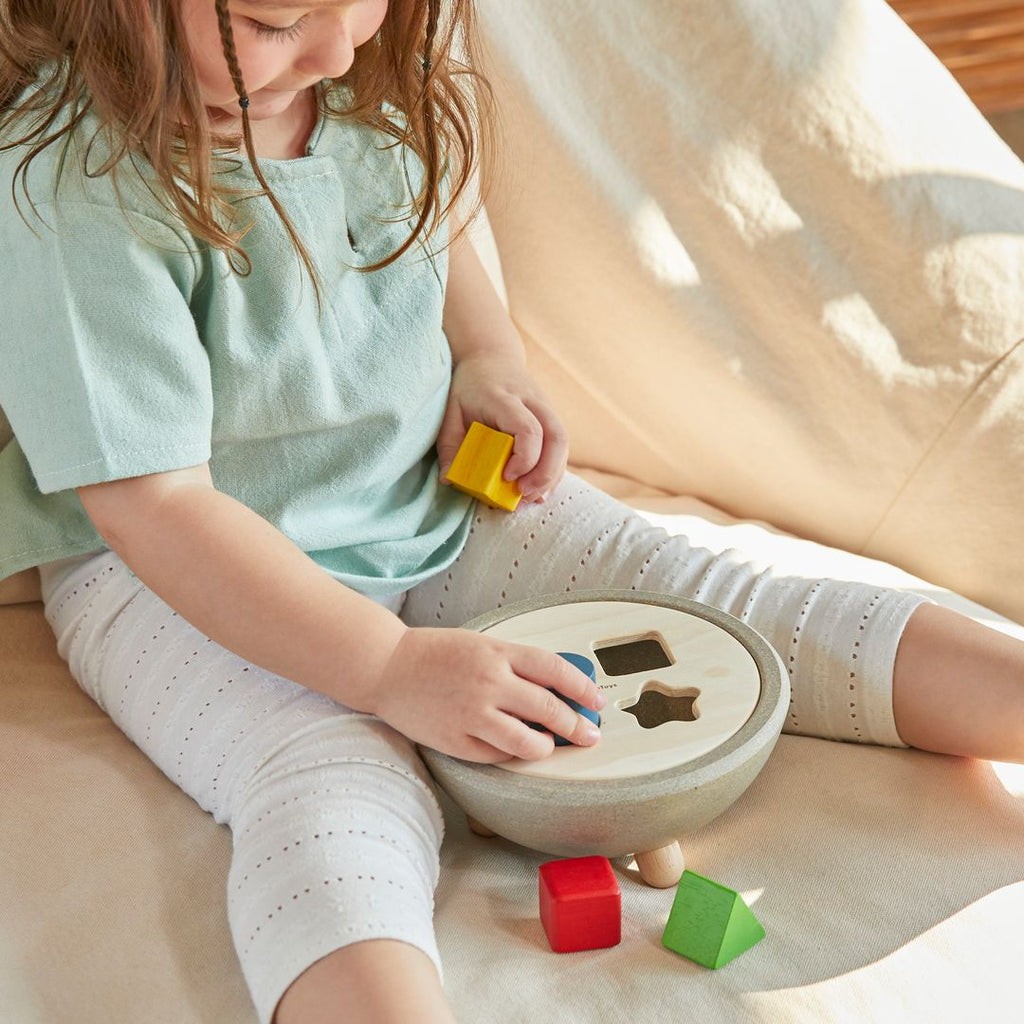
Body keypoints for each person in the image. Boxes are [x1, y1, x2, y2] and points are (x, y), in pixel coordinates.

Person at [1, 1, 1021, 1022]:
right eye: (275, 21)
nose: (337, 46)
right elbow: (156, 507)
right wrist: (389, 669)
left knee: (716, 604)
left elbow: (436, 219)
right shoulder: (65, 186)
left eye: (363, 3)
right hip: (170, 579)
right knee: (330, 781)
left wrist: (489, 357)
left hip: (430, 491)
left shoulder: (350, 72)